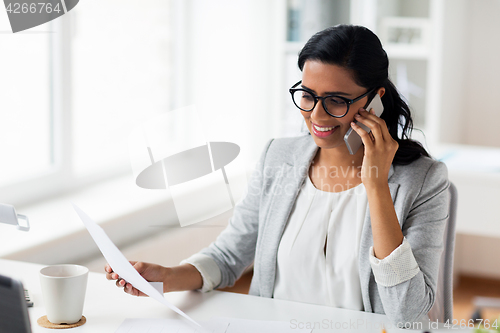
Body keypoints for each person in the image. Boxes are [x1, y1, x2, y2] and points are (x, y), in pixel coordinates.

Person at [105, 24, 450, 325]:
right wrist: (166, 277)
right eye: (308, 95)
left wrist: (375, 186)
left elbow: (409, 314)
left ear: (375, 100)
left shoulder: (423, 181)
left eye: (336, 100)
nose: (317, 115)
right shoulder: (279, 157)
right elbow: (228, 257)